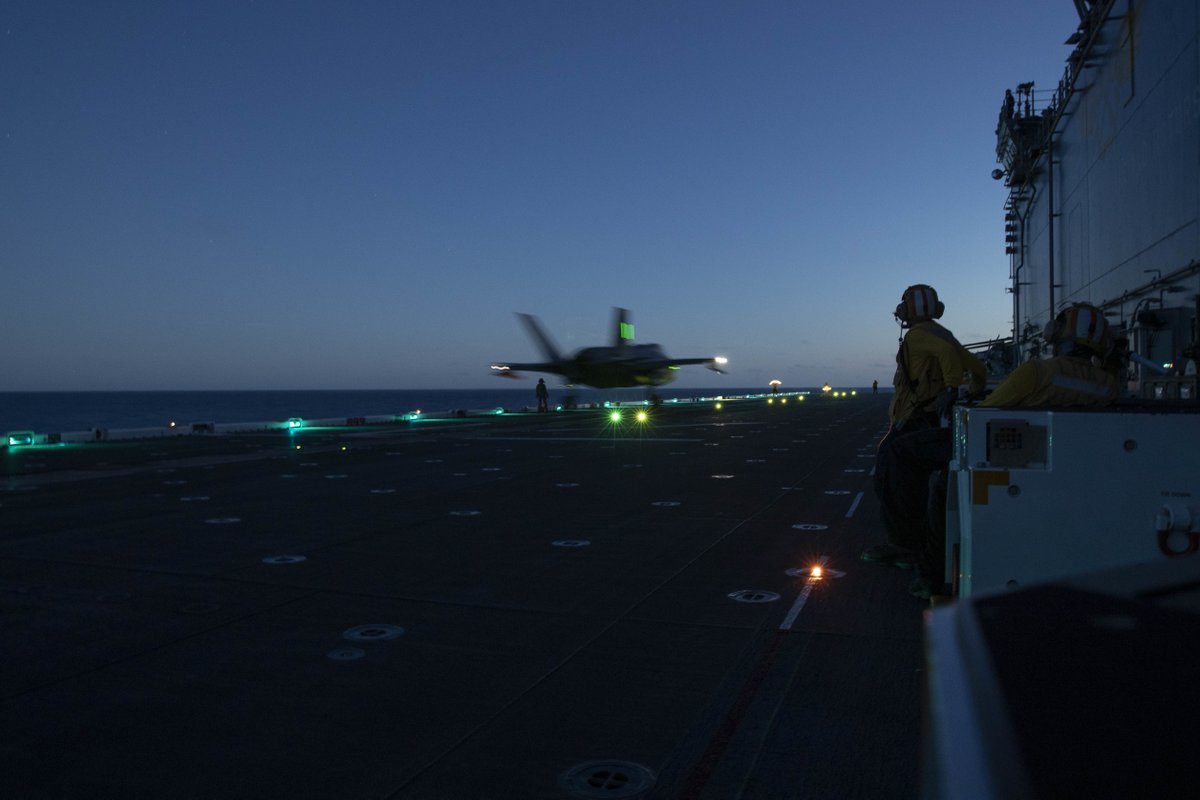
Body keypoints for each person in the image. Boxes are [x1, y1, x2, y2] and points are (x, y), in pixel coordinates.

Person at [911, 302, 1121, 599]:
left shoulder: (1036, 372)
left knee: (934, 483)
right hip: (1077, 476)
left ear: (1058, 335)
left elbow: (983, 415)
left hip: (1018, 464)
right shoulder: (1108, 385)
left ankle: (930, 577)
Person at [864, 284, 985, 570]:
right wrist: (971, 394)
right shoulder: (944, 334)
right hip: (931, 418)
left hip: (912, 418)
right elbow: (978, 369)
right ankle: (911, 542)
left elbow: (945, 355)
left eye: (903, 306)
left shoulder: (918, 336)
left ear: (909, 310)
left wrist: (952, 388)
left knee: (890, 478)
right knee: (911, 484)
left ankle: (904, 545)